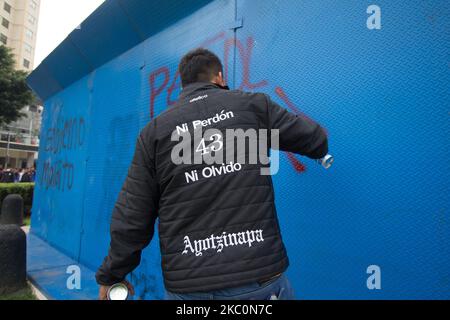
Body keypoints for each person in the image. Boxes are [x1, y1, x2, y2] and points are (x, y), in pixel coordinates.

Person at [96, 48, 329, 300]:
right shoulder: (253, 106)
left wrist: (113, 275)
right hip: (257, 279)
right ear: (218, 77)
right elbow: (314, 138)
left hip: (188, 288)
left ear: (183, 84)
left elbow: (133, 216)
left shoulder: (154, 132)